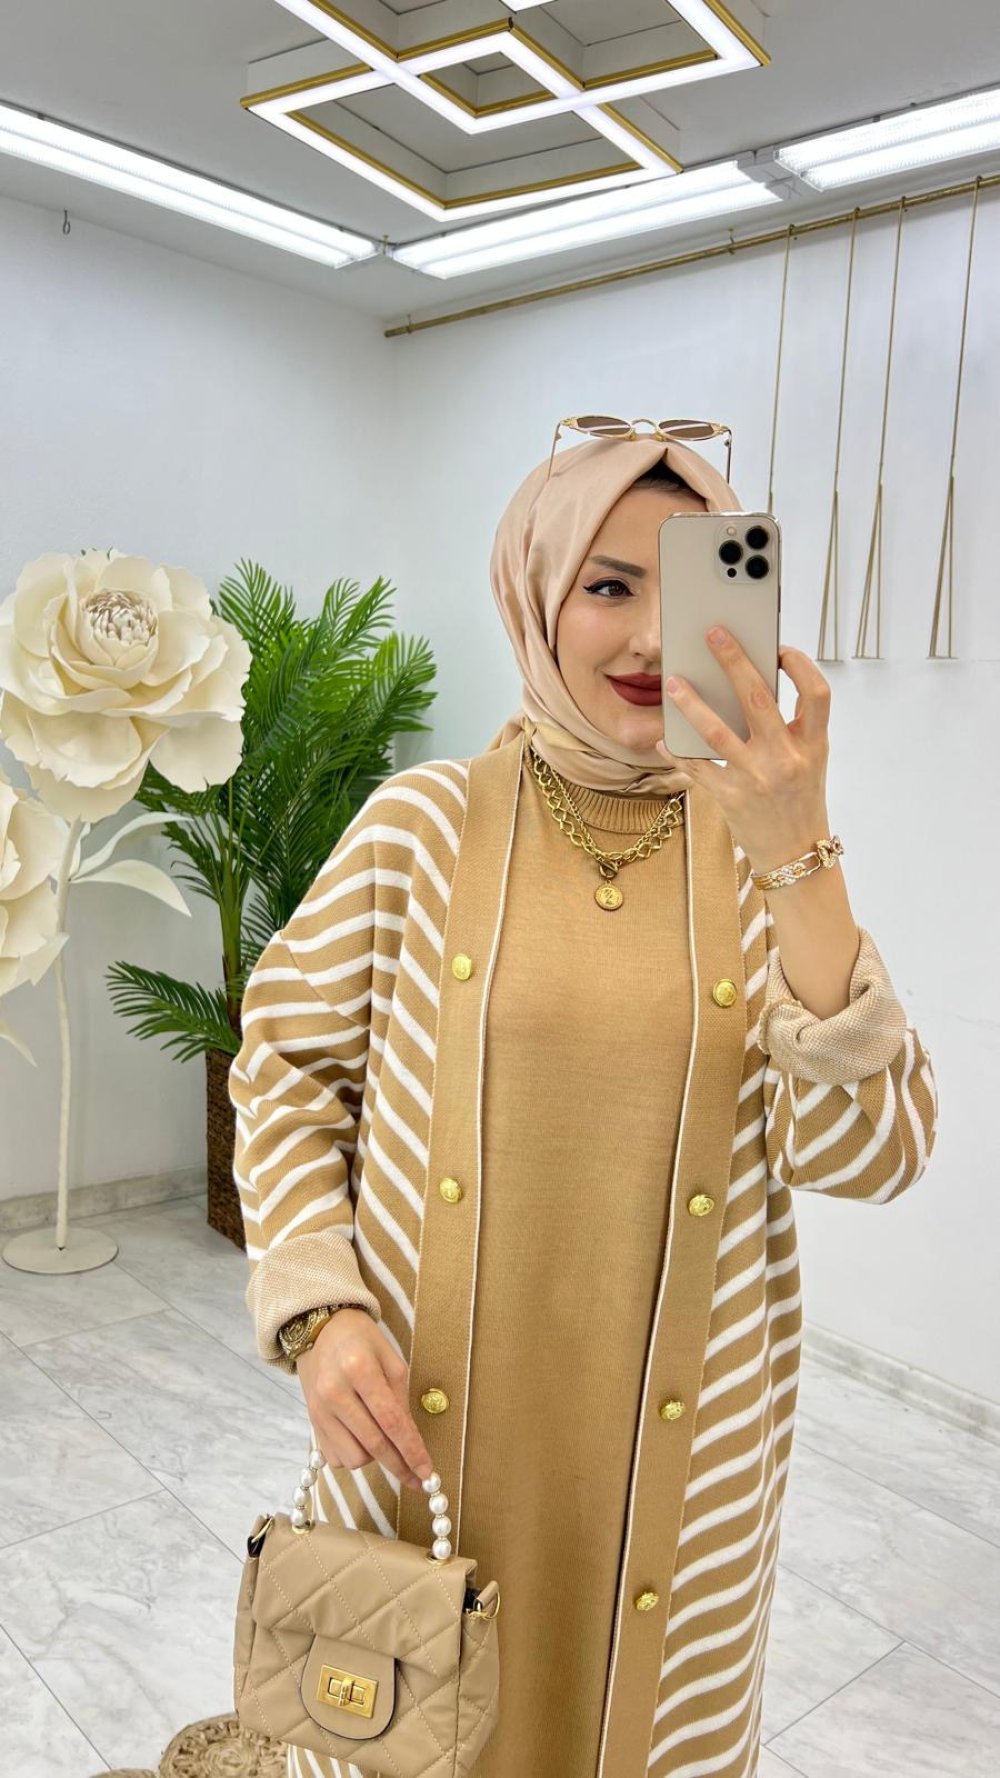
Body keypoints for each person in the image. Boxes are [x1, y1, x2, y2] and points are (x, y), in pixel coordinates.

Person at [228, 429, 939, 1778]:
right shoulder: (422, 825)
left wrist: (800, 849)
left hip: (678, 1453)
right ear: (536, 591)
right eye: (609, 585)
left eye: (692, 583)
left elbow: (873, 1151)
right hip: (427, 1436)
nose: (654, 634)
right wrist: (317, 1305)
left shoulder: (762, 865)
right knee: (405, 1730)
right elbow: (285, 1068)